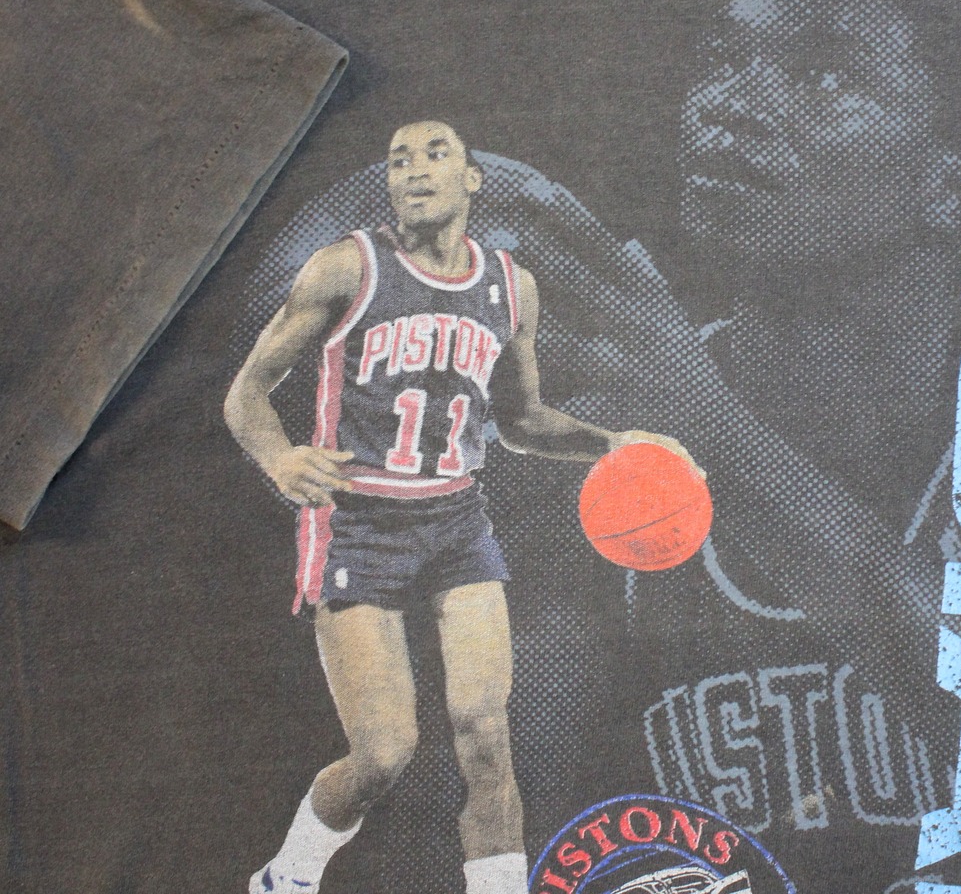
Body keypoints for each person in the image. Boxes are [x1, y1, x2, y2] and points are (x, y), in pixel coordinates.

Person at [223, 119, 694, 894]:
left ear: (473, 178)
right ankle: (288, 876)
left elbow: (521, 422)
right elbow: (246, 392)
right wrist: (279, 458)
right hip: (358, 522)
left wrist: (614, 442)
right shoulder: (346, 267)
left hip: (454, 521)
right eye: (398, 159)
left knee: (485, 733)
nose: (415, 169)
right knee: (384, 754)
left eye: (435, 154)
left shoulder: (511, 287)